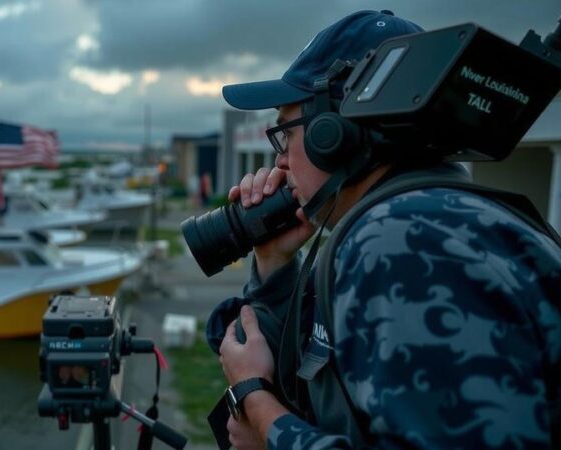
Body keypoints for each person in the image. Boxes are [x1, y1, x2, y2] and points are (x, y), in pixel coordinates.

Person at [209, 10, 561, 450]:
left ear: (334, 134)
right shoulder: (426, 222)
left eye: (285, 132)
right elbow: (334, 388)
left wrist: (261, 414)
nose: (279, 160)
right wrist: (276, 266)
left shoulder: (403, 242)